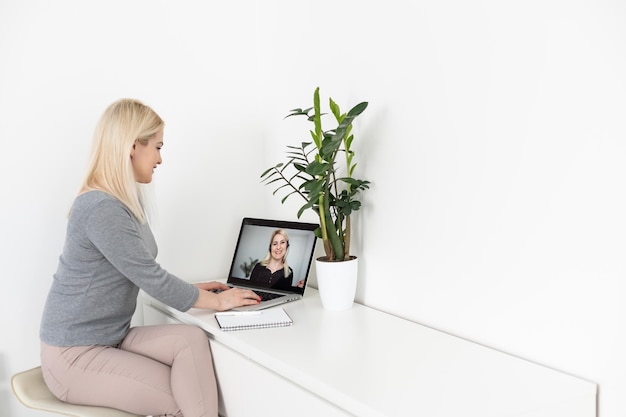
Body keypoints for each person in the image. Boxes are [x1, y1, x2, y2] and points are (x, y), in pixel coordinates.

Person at [39, 98, 261, 417]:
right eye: (157, 147)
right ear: (132, 146)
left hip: (109, 337)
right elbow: (150, 278)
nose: (160, 158)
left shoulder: (122, 202)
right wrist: (220, 302)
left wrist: (199, 290)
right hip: (73, 355)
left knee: (190, 340)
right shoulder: (102, 208)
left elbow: (139, 272)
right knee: (186, 402)